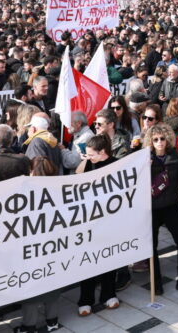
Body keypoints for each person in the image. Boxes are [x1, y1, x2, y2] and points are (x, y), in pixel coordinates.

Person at [13, 157, 61, 333]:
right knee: (52, 278)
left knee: (31, 283)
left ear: (32, 170)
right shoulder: (58, 188)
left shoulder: (23, 190)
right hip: (53, 244)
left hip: (30, 246)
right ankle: (52, 320)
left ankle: (29, 325)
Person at [144, 122, 178, 294]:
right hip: (153, 209)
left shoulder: (174, 156)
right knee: (152, 246)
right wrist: (145, 168)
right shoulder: (145, 158)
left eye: (162, 139)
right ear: (151, 141)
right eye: (155, 139)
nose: (159, 142)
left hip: (171, 206)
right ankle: (156, 284)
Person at [76, 135, 120, 316]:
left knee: (109, 257)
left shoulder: (117, 164)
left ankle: (108, 294)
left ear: (102, 152)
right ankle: (85, 299)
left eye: (91, 154)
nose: (88, 157)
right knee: (88, 260)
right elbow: (76, 179)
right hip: (89, 221)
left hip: (110, 221)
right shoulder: (87, 164)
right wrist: (85, 161)